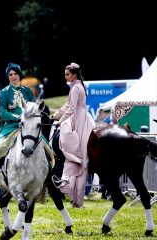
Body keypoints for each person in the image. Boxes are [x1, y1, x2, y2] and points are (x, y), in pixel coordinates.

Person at [0, 63, 36, 188]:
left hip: (28, 126)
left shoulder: (28, 91)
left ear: (19, 75)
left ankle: (49, 176)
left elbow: (34, 107)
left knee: (45, 146)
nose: (13, 77)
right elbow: (2, 112)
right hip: (10, 126)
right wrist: (17, 117)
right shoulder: (4, 92)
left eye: (15, 74)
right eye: (10, 75)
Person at [51, 62, 95, 208]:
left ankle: (70, 183)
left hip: (79, 118)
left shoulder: (76, 87)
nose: (65, 76)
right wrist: (55, 115)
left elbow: (71, 108)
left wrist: (60, 121)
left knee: (70, 145)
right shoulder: (75, 86)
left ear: (74, 75)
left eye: (67, 74)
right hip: (78, 116)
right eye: (65, 74)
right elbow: (67, 105)